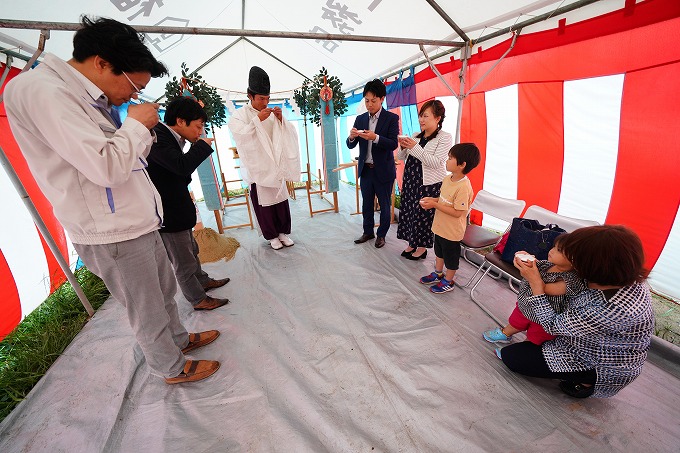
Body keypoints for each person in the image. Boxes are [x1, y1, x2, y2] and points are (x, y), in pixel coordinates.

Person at [4, 17, 220, 384]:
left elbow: (122, 159)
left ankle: (179, 340)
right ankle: (170, 367)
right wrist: (136, 126)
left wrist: (135, 131)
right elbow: (105, 166)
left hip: (137, 220)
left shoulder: (85, 97)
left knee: (164, 290)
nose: (133, 96)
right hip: (111, 229)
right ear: (102, 63)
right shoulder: (41, 91)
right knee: (146, 306)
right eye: (134, 84)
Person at [499, 225, 655, 398]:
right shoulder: (618, 276)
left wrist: (535, 282)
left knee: (512, 357)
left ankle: (588, 381)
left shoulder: (615, 309)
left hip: (595, 361)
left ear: (592, 264)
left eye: (574, 255)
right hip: (576, 334)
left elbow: (552, 325)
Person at [147, 97, 231, 311]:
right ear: (181, 121)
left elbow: (178, 173)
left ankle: (202, 281)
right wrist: (202, 147)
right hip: (168, 211)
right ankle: (197, 298)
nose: (200, 132)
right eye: (198, 126)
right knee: (182, 260)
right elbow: (181, 166)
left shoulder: (171, 137)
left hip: (178, 207)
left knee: (191, 249)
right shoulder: (157, 136)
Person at [228, 66, 301, 250]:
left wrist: (280, 120)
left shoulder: (269, 113)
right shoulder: (239, 115)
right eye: (261, 99)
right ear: (250, 95)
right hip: (259, 168)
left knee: (281, 201)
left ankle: (283, 232)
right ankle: (271, 236)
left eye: (267, 99)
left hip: (275, 166)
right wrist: (256, 121)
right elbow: (241, 136)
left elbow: (286, 134)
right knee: (265, 205)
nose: (265, 103)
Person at [482, 236, 586, 346]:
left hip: (543, 319)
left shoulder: (570, 281)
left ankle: (521, 350)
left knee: (535, 338)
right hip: (526, 306)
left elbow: (544, 288)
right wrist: (526, 258)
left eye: (559, 250)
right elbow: (536, 265)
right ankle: (505, 334)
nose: (552, 250)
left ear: (574, 260)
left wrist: (531, 274)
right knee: (515, 322)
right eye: (554, 247)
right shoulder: (548, 264)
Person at [419, 143, 481, 294]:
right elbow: (442, 199)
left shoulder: (464, 187)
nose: (446, 161)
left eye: (450, 158)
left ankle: (449, 280)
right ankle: (438, 273)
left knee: (450, 257)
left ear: (462, 164)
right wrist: (432, 200)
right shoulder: (447, 179)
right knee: (439, 251)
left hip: (452, 231)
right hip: (440, 226)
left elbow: (457, 213)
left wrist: (434, 205)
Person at [396, 100, 452, 260]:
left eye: (425, 116)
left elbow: (435, 162)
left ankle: (421, 248)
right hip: (411, 181)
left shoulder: (444, 137)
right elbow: (401, 157)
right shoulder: (415, 135)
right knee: (409, 212)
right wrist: (403, 146)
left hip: (428, 184)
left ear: (437, 118)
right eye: (421, 115)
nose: (421, 119)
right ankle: (411, 243)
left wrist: (414, 147)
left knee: (423, 216)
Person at [347, 79, 399, 249]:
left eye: (373, 101)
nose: (369, 105)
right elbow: (350, 144)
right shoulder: (360, 119)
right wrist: (352, 136)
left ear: (382, 99)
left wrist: (375, 138)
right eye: (367, 101)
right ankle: (367, 231)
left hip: (383, 170)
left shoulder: (391, 118)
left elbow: (393, 144)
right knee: (367, 203)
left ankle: (381, 235)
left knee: (384, 205)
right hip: (366, 170)